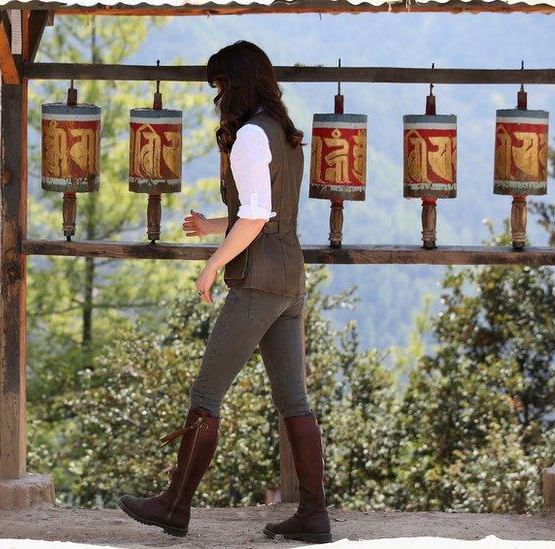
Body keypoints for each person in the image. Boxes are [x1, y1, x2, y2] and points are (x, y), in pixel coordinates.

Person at [117, 41, 332, 544]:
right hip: (290, 278)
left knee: (206, 394)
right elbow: (266, 212)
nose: (217, 96)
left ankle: (174, 504)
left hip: (258, 281)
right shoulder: (283, 132)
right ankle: (314, 514)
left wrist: (214, 263)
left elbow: (257, 216)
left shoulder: (251, 137)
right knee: (294, 399)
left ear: (235, 83)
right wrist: (213, 224)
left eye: (219, 85)